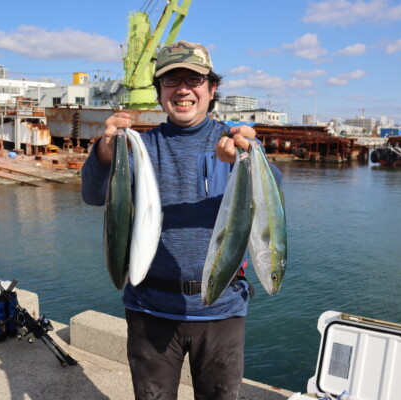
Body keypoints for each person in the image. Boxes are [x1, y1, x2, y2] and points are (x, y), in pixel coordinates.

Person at [81, 41, 274, 399]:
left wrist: (250, 158)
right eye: (171, 80)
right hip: (149, 305)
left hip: (221, 308)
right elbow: (94, 196)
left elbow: (272, 202)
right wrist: (105, 155)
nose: (183, 89)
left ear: (212, 89)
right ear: (159, 92)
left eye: (194, 79)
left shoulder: (235, 143)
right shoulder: (140, 146)